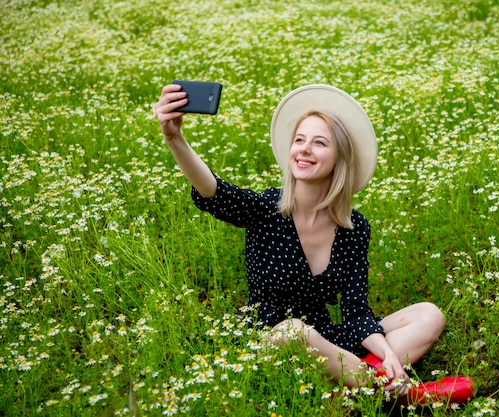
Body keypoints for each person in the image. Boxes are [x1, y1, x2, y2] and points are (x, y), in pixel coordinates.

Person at [154, 84, 467, 401]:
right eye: (299, 140)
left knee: (429, 314)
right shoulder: (266, 209)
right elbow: (215, 193)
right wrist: (174, 139)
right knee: (294, 331)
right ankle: (390, 392)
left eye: (319, 143)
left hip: (326, 339)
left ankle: (361, 383)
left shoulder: (354, 228)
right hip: (271, 341)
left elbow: (356, 312)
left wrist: (386, 351)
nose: (304, 148)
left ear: (339, 158)